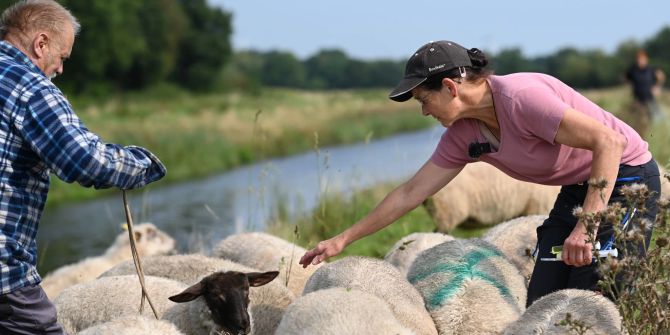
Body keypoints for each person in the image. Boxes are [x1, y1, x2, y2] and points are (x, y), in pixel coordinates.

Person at [299, 40, 660, 307]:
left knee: (590, 295)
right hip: (579, 188)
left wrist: (587, 226)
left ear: (450, 88)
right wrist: (342, 240)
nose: (424, 112)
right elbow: (411, 193)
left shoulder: (522, 98)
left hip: (628, 179)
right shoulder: (463, 134)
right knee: (543, 299)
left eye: (424, 100)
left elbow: (609, 143)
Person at [0, 1, 167, 333]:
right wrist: (144, 164)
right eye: (62, 57)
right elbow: (84, 160)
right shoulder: (29, 87)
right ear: (41, 43)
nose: (61, 69)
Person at [625, 49, 666, 138]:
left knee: (654, 117)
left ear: (646, 60)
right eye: (638, 59)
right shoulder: (633, 70)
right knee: (637, 119)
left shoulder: (651, 69)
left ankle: (654, 135)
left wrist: (657, 87)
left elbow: (661, 76)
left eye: (642, 59)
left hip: (649, 99)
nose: (640, 61)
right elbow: (626, 78)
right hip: (637, 100)